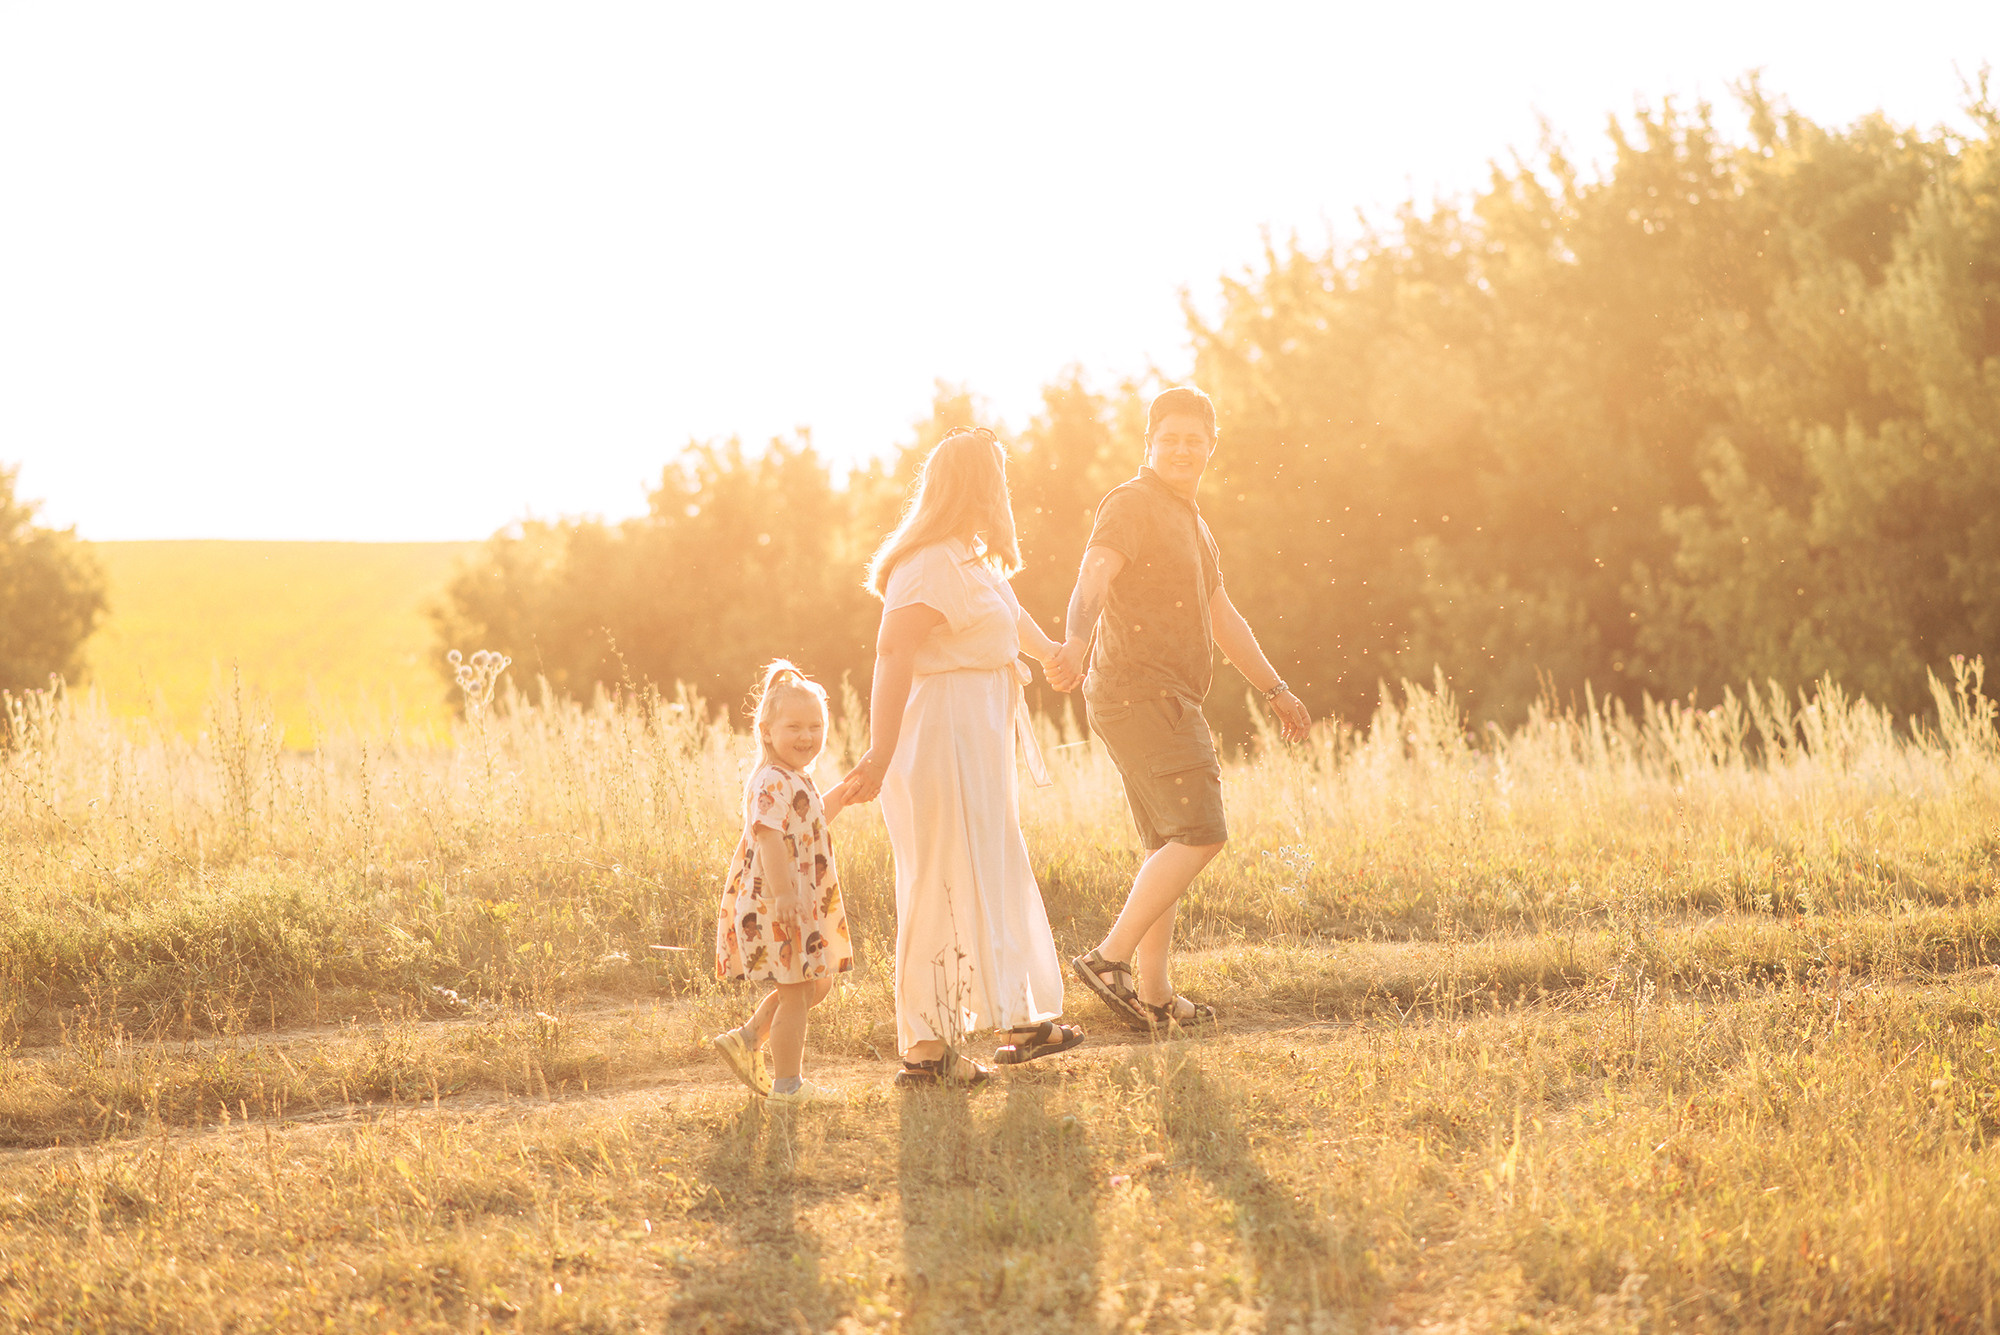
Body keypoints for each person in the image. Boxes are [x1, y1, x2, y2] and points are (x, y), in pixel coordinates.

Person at [1047, 385, 1312, 1028]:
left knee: (1167, 842)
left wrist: (1274, 689)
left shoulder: (1193, 522)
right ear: (1149, 442)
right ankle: (1109, 960)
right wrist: (1076, 639)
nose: (1181, 449)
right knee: (1202, 833)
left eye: (1194, 440)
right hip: (1141, 691)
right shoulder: (1132, 503)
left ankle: (1156, 994)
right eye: (1169, 438)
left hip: (1158, 694)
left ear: (1211, 447)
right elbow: (1092, 577)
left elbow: (1222, 617)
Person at [840, 427, 1084, 1089]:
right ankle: (925, 1049)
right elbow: (893, 654)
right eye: (998, 478)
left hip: (976, 735)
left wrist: (1053, 653)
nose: (1006, 491)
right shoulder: (927, 563)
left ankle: (1017, 1017)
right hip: (940, 734)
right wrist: (880, 752)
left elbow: (1010, 612)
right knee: (942, 879)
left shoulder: (970, 557)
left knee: (991, 870)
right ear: (978, 484)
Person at [710, 660, 856, 1105]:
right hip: (778, 901)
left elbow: (808, 822)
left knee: (817, 982)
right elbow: (770, 838)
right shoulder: (770, 780)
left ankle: (749, 1037)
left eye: (816, 726)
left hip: (795, 899)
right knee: (796, 993)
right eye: (794, 726)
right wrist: (786, 894)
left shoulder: (797, 778)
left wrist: (845, 795)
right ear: (766, 731)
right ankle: (788, 1086)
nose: (807, 736)